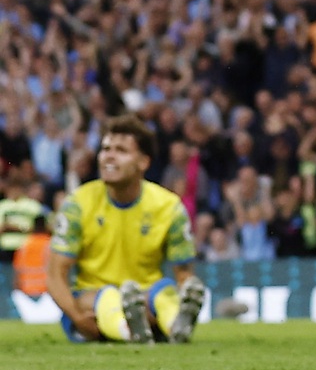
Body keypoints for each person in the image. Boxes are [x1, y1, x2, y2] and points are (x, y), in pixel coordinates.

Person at [45, 115, 208, 343]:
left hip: (145, 299)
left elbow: (184, 275)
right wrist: (78, 318)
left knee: (164, 290)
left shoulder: (168, 207)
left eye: (121, 150)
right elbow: (55, 274)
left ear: (143, 162)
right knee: (108, 296)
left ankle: (175, 326)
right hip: (92, 301)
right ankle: (131, 330)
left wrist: (181, 293)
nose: (109, 156)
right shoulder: (78, 204)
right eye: (105, 149)